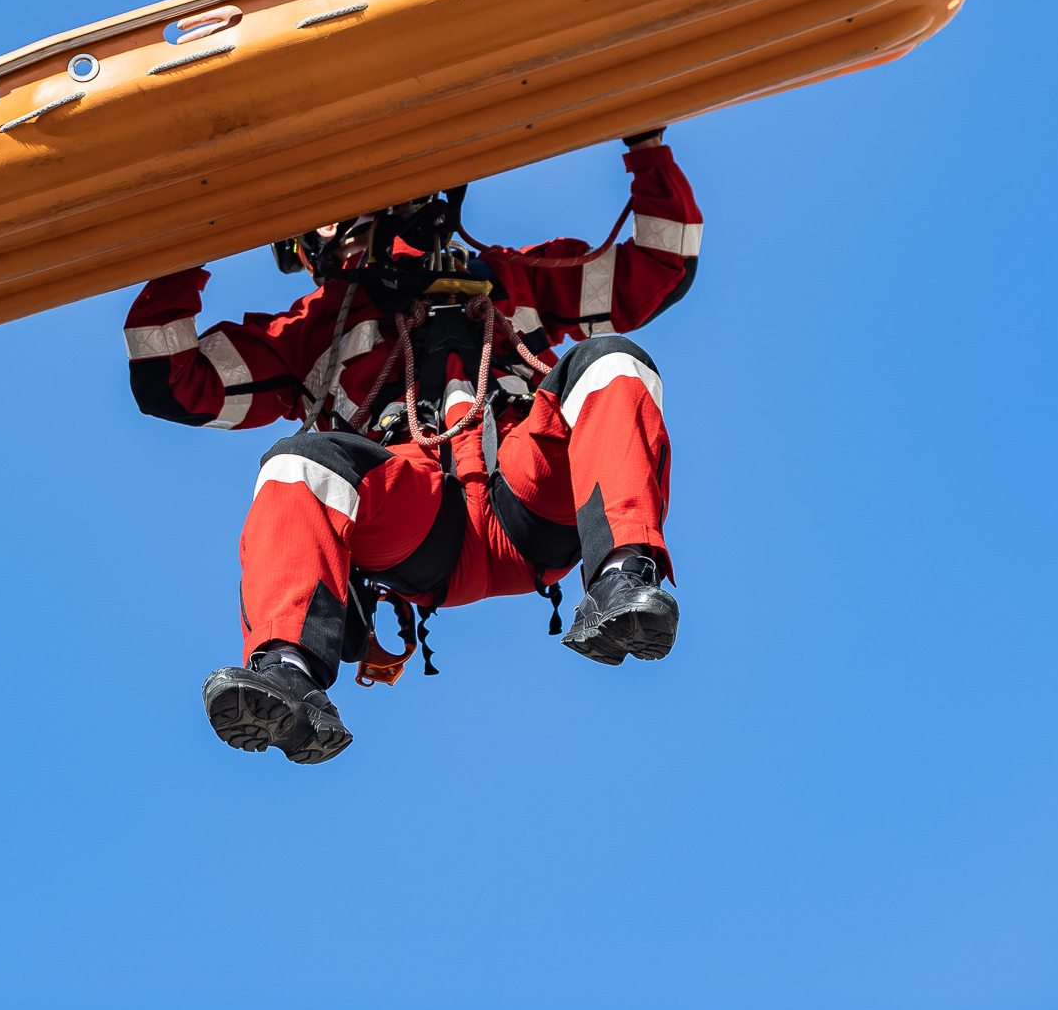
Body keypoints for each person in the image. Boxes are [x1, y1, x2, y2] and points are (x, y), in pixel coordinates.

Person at [123, 129, 702, 764]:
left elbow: (660, 265)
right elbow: (171, 382)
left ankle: (624, 576)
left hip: (533, 491)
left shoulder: (509, 281)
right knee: (296, 466)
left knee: (611, 365)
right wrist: (197, 236)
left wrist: (646, 145)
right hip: (418, 528)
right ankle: (289, 674)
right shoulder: (312, 331)